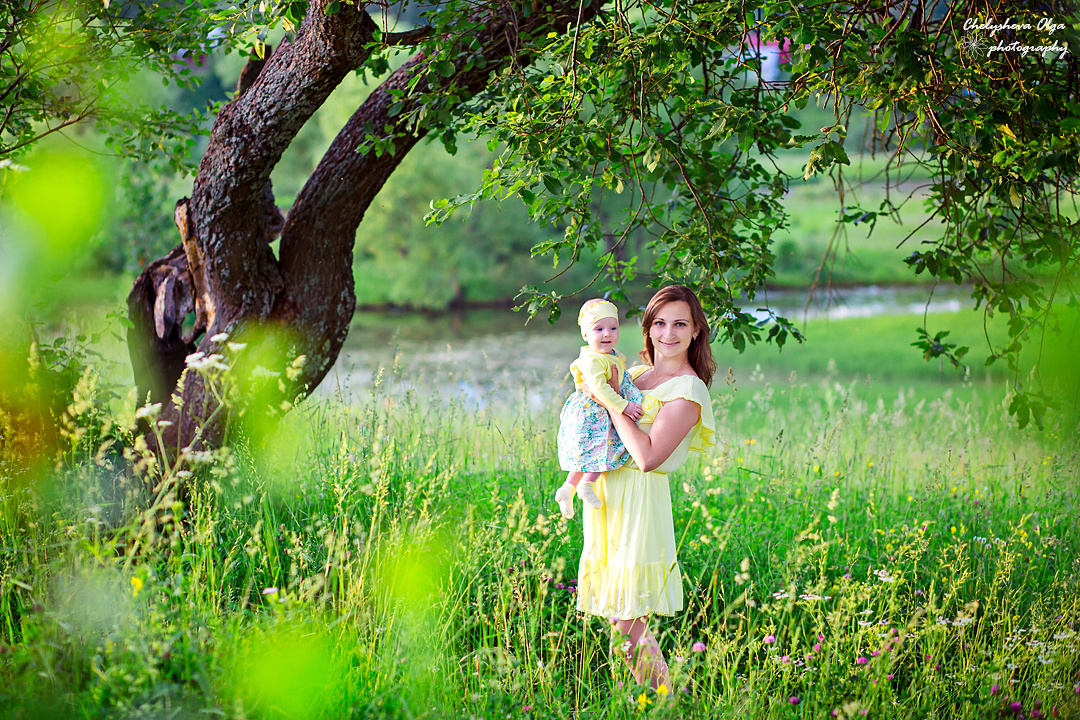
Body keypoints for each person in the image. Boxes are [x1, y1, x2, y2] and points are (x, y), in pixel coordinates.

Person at [576, 285, 716, 693]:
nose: (667, 334)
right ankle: (649, 700)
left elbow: (648, 456)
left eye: (679, 324)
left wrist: (614, 404)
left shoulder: (688, 391)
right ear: (647, 329)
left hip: (640, 501)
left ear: (695, 332)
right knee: (617, 616)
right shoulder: (635, 374)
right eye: (659, 323)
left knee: (626, 620)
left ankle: (667, 702)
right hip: (607, 497)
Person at [555, 299, 645, 518]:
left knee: (589, 450)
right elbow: (600, 390)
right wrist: (624, 406)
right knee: (598, 446)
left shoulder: (609, 355)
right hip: (592, 410)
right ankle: (586, 486)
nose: (607, 334)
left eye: (613, 328)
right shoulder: (591, 360)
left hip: (599, 407)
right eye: (599, 329)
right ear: (586, 334)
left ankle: (568, 488)